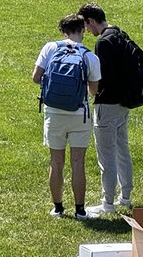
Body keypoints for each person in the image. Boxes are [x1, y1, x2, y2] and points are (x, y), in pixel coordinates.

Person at [31, 15, 101, 220]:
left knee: (56, 161)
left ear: (63, 31)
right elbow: (93, 91)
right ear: (83, 31)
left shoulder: (50, 48)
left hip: (53, 113)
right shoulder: (89, 57)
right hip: (78, 114)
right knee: (78, 162)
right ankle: (80, 210)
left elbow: (36, 78)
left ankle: (58, 208)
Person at [78, 2, 136, 214]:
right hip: (123, 103)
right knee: (122, 149)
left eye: (86, 26)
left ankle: (108, 203)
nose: (86, 31)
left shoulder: (103, 43)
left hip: (107, 104)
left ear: (91, 21)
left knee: (106, 155)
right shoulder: (120, 34)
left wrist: (92, 90)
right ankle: (126, 196)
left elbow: (102, 78)